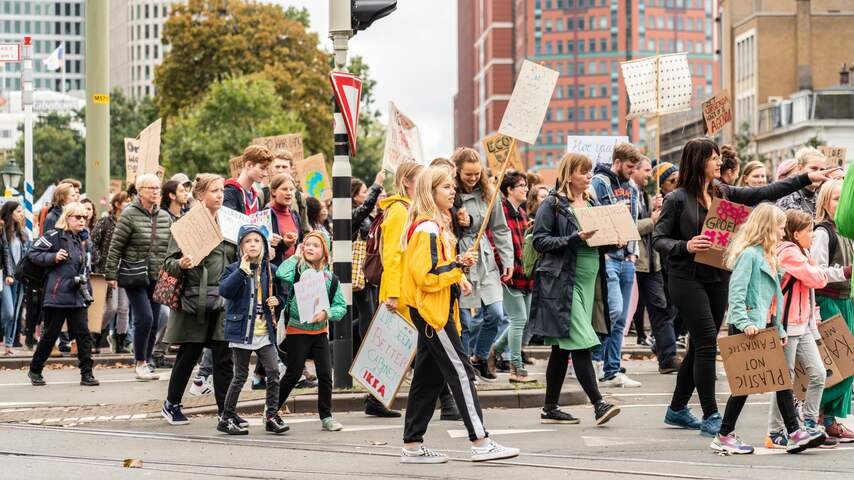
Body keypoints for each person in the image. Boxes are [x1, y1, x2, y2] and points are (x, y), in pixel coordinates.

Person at [653, 137, 835, 438]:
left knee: (700, 345)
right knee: (709, 341)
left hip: (718, 276)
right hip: (686, 279)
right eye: (713, 158)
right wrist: (685, 245)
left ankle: (677, 409)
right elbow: (658, 240)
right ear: (699, 161)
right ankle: (712, 415)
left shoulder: (723, 192)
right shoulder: (677, 199)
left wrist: (805, 178)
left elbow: (764, 192)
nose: (719, 163)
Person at [398, 166, 519, 464]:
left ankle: (412, 446)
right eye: (446, 188)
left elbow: (433, 268)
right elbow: (426, 274)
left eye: (452, 187)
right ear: (431, 192)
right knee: (461, 372)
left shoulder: (434, 226)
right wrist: (458, 268)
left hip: (434, 310)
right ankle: (480, 441)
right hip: (433, 313)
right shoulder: (427, 228)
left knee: (428, 379)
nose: (453, 192)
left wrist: (457, 271)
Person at [711, 204, 825, 454]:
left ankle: (794, 432)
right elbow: (736, 295)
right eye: (781, 227)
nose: (784, 232)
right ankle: (724, 434)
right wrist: (745, 324)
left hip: (763, 327)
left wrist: (779, 330)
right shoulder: (749, 256)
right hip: (747, 327)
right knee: (745, 386)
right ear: (768, 228)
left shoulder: (768, 254)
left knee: (781, 380)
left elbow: (775, 300)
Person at [529, 153, 622, 425]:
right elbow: (540, 241)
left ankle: (549, 408)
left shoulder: (592, 202)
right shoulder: (553, 204)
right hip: (563, 282)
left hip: (589, 279)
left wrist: (613, 241)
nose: (589, 176)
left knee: (562, 347)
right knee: (581, 339)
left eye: (590, 171)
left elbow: (597, 241)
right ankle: (598, 404)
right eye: (583, 172)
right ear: (569, 174)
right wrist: (573, 238)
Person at [161, 174, 236, 426]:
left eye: (222, 190)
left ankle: (225, 411)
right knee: (189, 353)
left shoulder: (229, 223)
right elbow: (168, 263)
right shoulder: (187, 224)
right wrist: (180, 263)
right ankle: (171, 404)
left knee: (224, 356)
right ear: (200, 195)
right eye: (214, 190)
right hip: (195, 299)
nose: (220, 195)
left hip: (223, 298)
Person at [765, 209, 837, 449]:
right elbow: (817, 279)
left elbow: (812, 283)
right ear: (796, 234)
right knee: (784, 380)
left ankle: (807, 421)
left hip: (803, 324)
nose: (813, 237)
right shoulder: (788, 253)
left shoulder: (801, 252)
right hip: (786, 324)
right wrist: (816, 270)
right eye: (809, 232)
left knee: (818, 373)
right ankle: (775, 431)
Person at [217, 225, 288, 436]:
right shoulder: (234, 269)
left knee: (274, 371)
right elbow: (225, 291)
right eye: (248, 241)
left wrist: (279, 301)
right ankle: (226, 417)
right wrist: (241, 271)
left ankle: (271, 416)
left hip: (264, 331)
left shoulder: (271, 270)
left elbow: (284, 295)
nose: (253, 244)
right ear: (241, 247)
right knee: (240, 376)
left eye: (257, 241)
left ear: (264, 246)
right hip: (242, 331)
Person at [452, 148, 513, 382]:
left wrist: (507, 259)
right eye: (468, 174)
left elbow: (500, 228)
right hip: (461, 257)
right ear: (457, 172)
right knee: (464, 320)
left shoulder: (490, 193)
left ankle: (480, 356)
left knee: (496, 313)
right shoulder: (450, 193)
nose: (473, 178)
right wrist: (461, 222)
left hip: (485, 258)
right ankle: (465, 368)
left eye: (477, 173)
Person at [275, 231, 346, 432]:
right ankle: (272, 410)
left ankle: (327, 416)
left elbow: (341, 307)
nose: (310, 248)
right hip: (297, 330)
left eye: (315, 245)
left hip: (320, 332)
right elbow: (280, 272)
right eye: (307, 244)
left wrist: (327, 313)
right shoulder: (296, 271)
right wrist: (296, 255)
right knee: (293, 373)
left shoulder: (331, 279)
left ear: (325, 251)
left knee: (325, 374)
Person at [105, 174, 172, 381]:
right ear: (140, 190)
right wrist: (111, 273)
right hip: (134, 274)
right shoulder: (129, 214)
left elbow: (171, 245)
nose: (155, 191)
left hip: (157, 275)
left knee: (156, 320)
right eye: (150, 187)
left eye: (157, 188)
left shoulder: (164, 216)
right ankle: (140, 362)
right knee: (145, 318)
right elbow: (116, 245)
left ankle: (147, 361)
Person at [27, 203, 99, 386]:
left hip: (77, 295)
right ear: (67, 218)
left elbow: (84, 269)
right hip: (57, 294)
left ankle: (87, 374)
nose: (82, 220)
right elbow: (32, 253)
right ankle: (35, 370)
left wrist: (87, 291)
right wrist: (52, 257)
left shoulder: (82, 239)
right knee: (50, 335)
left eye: (84, 217)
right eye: (77, 217)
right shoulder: (54, 236)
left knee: (83, 335)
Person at [589, 142, 642, 387]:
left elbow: (633, 219)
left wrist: (633, 252)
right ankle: (594, 358)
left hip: (626, 257)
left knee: (621, 318)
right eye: (630, 166)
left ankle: (611, 370)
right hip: (609, 256)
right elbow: (596, 216)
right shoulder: (600, 182)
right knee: (613, 310)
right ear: (617, 162)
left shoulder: (630, 186)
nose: (632, 171)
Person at [811, 179, 854, 442]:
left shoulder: (848, 231)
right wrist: (846, 272)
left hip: (847, 300)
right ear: (825, 203)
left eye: (843, 198)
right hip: (828, 301)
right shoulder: (822, 233)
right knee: (836, 363)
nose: (840, 203)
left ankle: (830, 419)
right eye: (835, 198)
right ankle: (814, 416)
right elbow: (816, 272)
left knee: (848, 363)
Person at [630, 157, 680, 374]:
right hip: (633, 262)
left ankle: (667, 356)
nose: (649, 175)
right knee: (619, 314)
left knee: (662, 310)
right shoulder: (629, 195)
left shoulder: (646, 197)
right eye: (647, 170)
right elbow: (628, 227)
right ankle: (605, 362)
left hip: (653, 264)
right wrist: (653, 219)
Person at [486, 172, 535, 383]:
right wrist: (503, 266)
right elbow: (494, 241)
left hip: (526, 274)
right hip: (509, 275)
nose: (526, 189)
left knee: (520, 321)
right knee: (518, 319)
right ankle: (516, 369)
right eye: (521, 186)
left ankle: (494, 351)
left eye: (526, 185)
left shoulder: (522, 213)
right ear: (509, 190)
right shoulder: (501, 210)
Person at [91, 192, 131, 354]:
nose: (129, 203)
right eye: (125, 201)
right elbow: (93, 243)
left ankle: (120, 340)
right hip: (108, 270)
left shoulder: (129, 222)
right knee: (111, 307)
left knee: (124, 308)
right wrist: (100, 260)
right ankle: (94, 334)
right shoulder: (105, 221)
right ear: (117, 204)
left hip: (126, 270)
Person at [0, 202, 29, 356]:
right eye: (18, 211)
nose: (21, 214)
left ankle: (9, 346)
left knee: (16, 313)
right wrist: (8, 274)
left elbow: (27, 257)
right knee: (8, 312)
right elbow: (4, 254)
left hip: (19, 278)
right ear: (10, 212)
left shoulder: (23, 233)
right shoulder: (2, 230)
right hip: (5, 276)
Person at [776, 147, 829, 216]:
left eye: (822, 170)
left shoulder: (822, 199)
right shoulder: (787, 198)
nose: (818, 173)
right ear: (800, 168)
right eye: (814, 168)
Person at [224, 145, 271, 215]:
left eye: (267, 169)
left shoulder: (256, 198)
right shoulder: (228, 192)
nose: (265, 174)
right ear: (248, 165)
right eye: (262, 168)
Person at [268, 173, 302, 266]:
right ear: (273, 191)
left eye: (291, 189)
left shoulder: (295, 215)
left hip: (293, 273)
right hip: (275, 273)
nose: (289, 193)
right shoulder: (265, 215)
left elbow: (300, 243)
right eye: (284, 189)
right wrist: (284, 244)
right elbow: (265, 253)